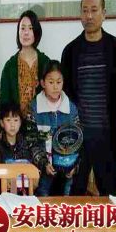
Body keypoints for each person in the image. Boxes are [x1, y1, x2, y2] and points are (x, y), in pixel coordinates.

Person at [61, 0, 116, 196]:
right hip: (78, 137)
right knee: (75, 193)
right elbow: (66, 93)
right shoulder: (70, 51)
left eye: (93, 10)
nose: (89, 16)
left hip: (107, 135)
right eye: (84, 10)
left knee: (109, 193)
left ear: (104, 13)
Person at [29, 61, 81, 196]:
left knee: (64, 204)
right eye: (51, 82)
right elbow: (31, 141)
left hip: (67, 172)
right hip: (43, 172)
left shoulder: (71, 109)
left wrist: (74, 166)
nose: (55, 86)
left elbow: (78, 142)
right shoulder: (34, 108)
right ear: (42, 83)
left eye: (59, 82)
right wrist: (44, 163)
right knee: (43, 204)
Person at [0, 10, 50, 116]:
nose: (26, 33)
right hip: (16, 123)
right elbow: (4, 102)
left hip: (42, 122)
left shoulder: (46, 62)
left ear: (36, 32)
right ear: (18, 32)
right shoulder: (9, 66)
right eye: (22, 28)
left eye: (30, 28)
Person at [0, 103, 46, 195]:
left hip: (25, 194)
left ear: (20, 122)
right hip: (4, 194)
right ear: (2, 123)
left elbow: (34, 175)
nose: (12, 125)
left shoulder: (26, 144)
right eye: (8, 120)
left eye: (16, 120)